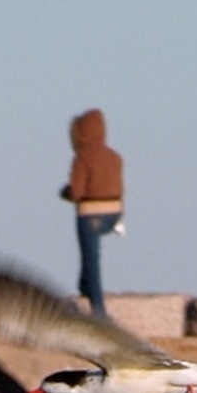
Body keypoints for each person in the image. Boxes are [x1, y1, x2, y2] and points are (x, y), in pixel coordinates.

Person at [61, 109, 124, 315]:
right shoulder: (115, 157)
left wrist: (66, 193)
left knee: (91, 259)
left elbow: (77, 192)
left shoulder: (82, 158)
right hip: (115, 213)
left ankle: (99, 311)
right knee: (89, 256)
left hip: (91, 215)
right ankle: (84, 286)